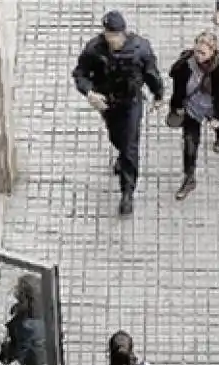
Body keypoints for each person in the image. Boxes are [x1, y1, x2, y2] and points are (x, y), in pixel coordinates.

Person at [72, 10, 164, 217]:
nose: (111, 39)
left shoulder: (141, 49)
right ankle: (122, 157)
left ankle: (127, 192)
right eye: (107, 34)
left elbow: (151, 73)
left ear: (123, 33)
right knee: (117, 138)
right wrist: (89, 93)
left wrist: (158, 95)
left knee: (130, 145)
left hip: (131, 102)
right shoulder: (94, 49)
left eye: (114, 34)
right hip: (108, 103)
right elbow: (80, 74)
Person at [0, 274, 89, 365]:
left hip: (33, 359)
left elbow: (20, 346)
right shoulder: (47, 309)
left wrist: (7, 354)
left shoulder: (23, 323)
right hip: (50, 350)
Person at [168, 30, 219, 200]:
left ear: (213, 52)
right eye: (197, 51)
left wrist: (218, 116)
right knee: (189, 144)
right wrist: (177, 106)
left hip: (212, 106)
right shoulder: (186, 62)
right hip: (191, 107)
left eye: (203, 53)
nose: (198, 56)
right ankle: (189, 178)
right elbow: (177, 85)